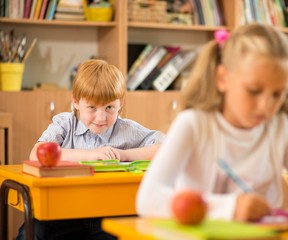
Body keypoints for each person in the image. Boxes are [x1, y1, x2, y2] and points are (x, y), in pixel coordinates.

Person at [136, 23, 288, 222]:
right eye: (253, 91)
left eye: (277, 94)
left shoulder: (279, 126)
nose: (266, 106)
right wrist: (230, 207)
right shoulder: (193, 125)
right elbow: (148, 200)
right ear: (223, 78)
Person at [17, 59, 165, 240]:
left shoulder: (127, 129)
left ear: (121, 103)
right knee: (29, 234)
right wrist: (89, 155)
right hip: (63, 215)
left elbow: (165, 148)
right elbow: (37, 153)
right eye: (92, 107)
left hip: (109, 216)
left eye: (110, 107)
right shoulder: (65, 124)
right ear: (76, 102)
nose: (101, 117)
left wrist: (124, 154)